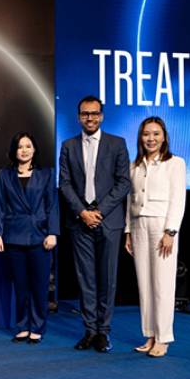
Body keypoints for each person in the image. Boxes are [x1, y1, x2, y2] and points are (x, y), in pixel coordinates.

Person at [59, 95, 130, 353]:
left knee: (107, 279)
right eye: (85, 113)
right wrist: (82, 212)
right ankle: (89, 330)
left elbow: (124, 182)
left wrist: (99, 211)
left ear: (102, 116)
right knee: (85, 279)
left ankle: (103, 332)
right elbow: (65, 183)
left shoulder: (117, 143)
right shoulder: (68, 146)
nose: (90, 118)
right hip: (80, 222)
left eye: (94, 113)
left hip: (109, 221)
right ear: (79, 117)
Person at [124, 117, 186, 358]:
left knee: (163, 284)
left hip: (162, 227)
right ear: (140, 137)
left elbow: (178, 199)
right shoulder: (134, 165)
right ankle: (150, 334)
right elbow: (129, 200)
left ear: (164, 137)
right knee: (145, 284)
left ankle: (163, 337)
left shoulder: (175, 163)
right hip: (138, 225)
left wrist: (171, 231)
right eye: (146, 134)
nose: (151, 138)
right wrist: (128, 231)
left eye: (156, 134)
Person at [0, 132, 59, 344]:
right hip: (13, 236)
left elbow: (52, 205)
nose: (24, 150)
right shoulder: (5, 175)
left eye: (28, 146)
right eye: (20, 146)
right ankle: (22, 325)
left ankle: (37, 327)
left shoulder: (46, 174)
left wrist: (53, 232)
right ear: (14, 150)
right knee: (20, 286)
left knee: (39, 286)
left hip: (40, 236)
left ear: (34, 149)